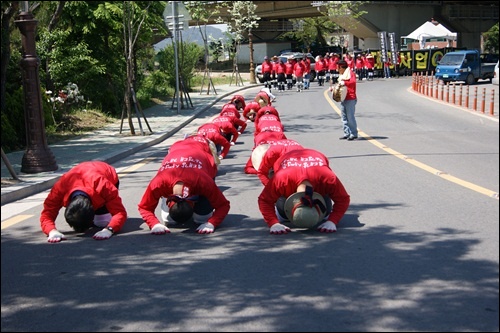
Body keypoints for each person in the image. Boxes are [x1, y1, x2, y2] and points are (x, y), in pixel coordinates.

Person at [138, 140, 230, 234]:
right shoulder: (159, 183)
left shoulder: (203, 181)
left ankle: (199, 211)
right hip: (177, 147)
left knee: (201, 219)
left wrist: (211, 223)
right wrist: (154, 224)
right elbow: (144, 207)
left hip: (202, 148)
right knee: (169, 220)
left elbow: (223, 205)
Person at [257, 148, 350, 234]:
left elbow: (343, 199)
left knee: (327, 213)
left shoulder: (328, 178)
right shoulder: (281, 179)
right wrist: (273, 223)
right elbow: (264, 200)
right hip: (286, 160)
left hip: (315, 156)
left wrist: (332, 221)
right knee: (282, 214)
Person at [40, 161, 128, 243]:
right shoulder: (59, 189)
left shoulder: (104, 186)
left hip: (105, 172)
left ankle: (99, 217)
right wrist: (51, 231)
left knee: (103, 223)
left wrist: (109, 230)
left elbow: (120, 212)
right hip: (83, 176)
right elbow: (47, 214)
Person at [331, 60, 358, 141]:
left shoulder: (350, 73)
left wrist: (345, 83)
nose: (337, 70)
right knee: (344, 117)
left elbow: (353, 82)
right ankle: (347, 133)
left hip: (350, 98)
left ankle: (353, 134)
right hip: (344, 98)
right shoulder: (342, 75)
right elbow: (340, 85)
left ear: (341, 67)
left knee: (350, 117)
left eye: (338, 68)